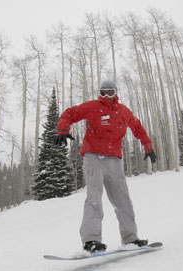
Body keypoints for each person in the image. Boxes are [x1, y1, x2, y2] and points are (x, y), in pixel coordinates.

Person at [55, 80, 156, 253]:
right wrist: (63, 130)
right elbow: (70, 113)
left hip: (114, 161)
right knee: (94, 198)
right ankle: (91, 240)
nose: (107, 96)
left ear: (116, 93)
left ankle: (131, 238)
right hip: (93, 157)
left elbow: (137, 128)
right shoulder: (93, 107)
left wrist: (148, 147)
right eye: (103, 92)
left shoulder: (124, 111)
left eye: (110, 92)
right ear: (99, 93)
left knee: (123, 200)